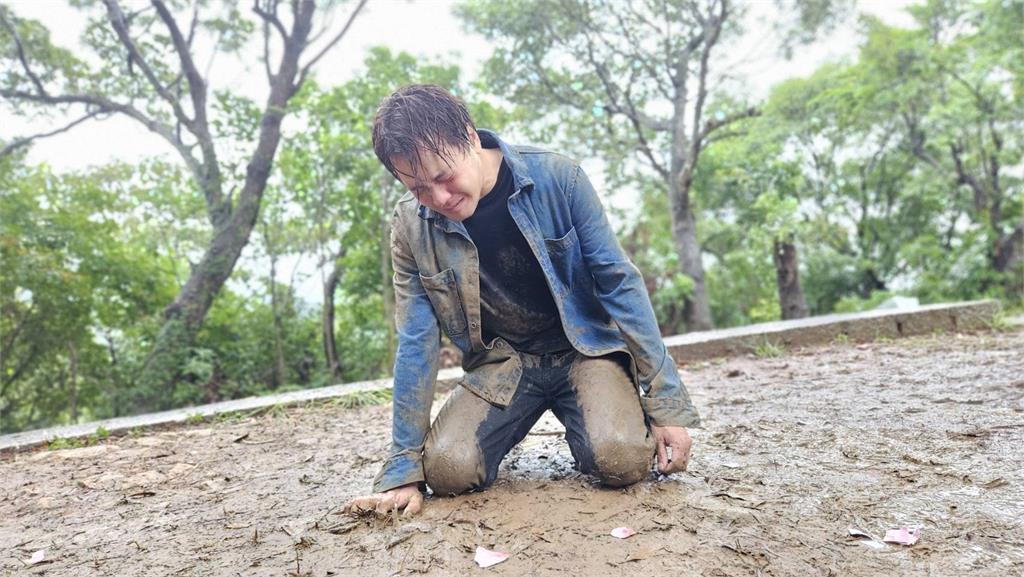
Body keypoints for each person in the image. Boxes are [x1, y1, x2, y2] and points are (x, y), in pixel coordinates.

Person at [346, 84, 700, 516]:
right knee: (447, 471)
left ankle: (615, 413)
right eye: (419, 188)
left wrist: (666, 404)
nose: (439, 198)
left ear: (471, 139)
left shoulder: (560, 179)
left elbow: (620, 284)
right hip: (503, 365)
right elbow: (416, 340)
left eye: (443, 177)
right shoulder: (410, 228)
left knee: (622, 457)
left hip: (583, 351)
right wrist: (403, 469)